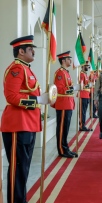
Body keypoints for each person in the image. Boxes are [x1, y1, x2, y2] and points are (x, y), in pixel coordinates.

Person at [0, 35, 51, 202]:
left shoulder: (27, 69)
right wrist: (37, 100)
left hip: (28, 124)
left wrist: (44, 98)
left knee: (24, 169)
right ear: (21, 51)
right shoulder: (16, 69)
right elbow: (11, 96)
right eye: (30, 49)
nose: (34, 51)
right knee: (17, 169)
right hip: (18, 124)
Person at [52, 51, 79, 158]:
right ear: (63, 60)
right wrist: (73, 88)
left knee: (66, 128)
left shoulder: (66, 72)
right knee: (62, 128)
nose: (70, 61)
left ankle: (65, 147)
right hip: (63, 104)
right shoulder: (60, 73)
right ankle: (62, 149)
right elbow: (59, 89)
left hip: (68, 103)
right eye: (68, 59)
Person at [79, 61, 92, 131]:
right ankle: (82, 125)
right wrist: (88, 85)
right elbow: (81, 85)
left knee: (84, 111)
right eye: (86, 66)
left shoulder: (85, 74)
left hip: (86, 95)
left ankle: (83, 124)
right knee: (82, 111)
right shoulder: (81, 74)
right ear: (83, 66)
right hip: (83, 95)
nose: (88, 67)